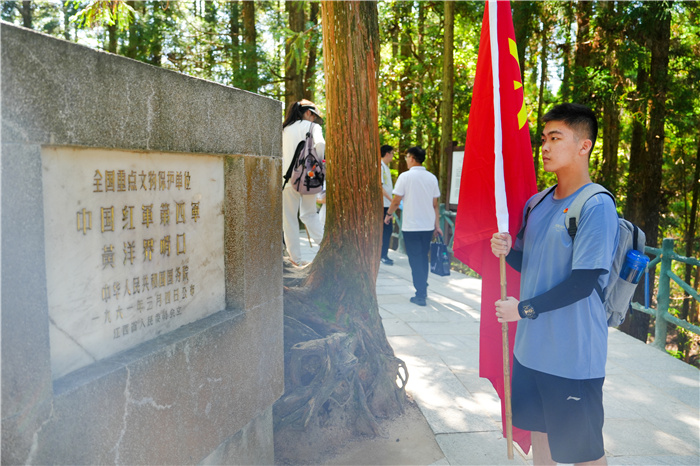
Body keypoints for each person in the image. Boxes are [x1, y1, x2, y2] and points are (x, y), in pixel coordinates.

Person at [490, 103, 618, 465]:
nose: (544, 146)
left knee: (584, 452)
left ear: (584, 146)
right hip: (530, 351)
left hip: (573, 355)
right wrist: (507, 250)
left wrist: (523, 309)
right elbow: (530, 264)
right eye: (543, 138)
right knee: (540, 434)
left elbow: (582, 283)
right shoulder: (537, 202)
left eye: (556, 138)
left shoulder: (596, 204)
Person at [385, 146, 442, 306]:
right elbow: (435, 205)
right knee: (423, 257)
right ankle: (423, 284)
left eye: (407, 157)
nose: (406, 160)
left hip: (412, 226)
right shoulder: (432, 178)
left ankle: (420, 294)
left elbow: (396, 201)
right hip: (427, 226)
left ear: (411, 158)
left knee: (415, 259)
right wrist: (437, 225)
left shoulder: (405, 177)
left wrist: (389, 214)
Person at [282, 100, 325, 266]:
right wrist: (318, 164)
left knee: (289, 219)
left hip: (287, 180)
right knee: (309, 214)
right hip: (309, 178)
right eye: (314, 116)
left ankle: (295, 260)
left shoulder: (284, 129)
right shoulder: (313, 127)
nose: (314, 120)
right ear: (308, 113)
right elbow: (320, 144)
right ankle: (324, 245)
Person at [380, 145, 395, 265]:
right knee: (386, 230)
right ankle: (383, 255)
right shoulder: (380, 167)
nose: (393, 156)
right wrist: (392, 200)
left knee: (387, 230)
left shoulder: (386, 167)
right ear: (387, 154)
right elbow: (380, 187)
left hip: (387, 204)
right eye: (392, 153)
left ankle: (383, 254)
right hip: (383, 205)